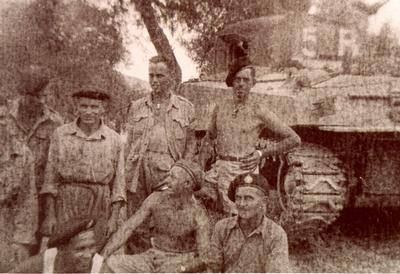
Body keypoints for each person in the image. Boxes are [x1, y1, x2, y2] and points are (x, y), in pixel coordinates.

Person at [203, 55, 301, 214]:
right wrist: (201, 167)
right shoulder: (220, 107)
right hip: (219, 168)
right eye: (237, 79)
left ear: (253, 83)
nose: (241, 84)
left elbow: (294, 139)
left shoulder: (258, 110)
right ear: (232, 81)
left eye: (246, 80)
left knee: (239, 218)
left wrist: (261, 153)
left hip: (242, 170)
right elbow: (209, 138)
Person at [124, 55, 197, 252]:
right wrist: (125, 173)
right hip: (138, 172)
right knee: (136, 225)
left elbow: (191, 144)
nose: (154, 80)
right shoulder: (136, 106)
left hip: (168, 174)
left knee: (166, 224)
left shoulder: (185, 108)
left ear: (171, 76)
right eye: (151, 75)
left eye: (160, 75)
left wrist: (182, 171)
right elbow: (128, 143)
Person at [40, 88, 126, 238]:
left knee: (93, 253)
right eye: (84, 106)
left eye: (94, 107)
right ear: (76, 107)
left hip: (99, 205)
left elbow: (119, 184)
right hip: (67, 203)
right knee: (65, 251)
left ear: (103, 109)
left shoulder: (114, 139)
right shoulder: (61, 135)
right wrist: (50, 215)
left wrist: (114, 218)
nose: (88, 111)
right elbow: (50, 179)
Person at [101, 160, 210, 273]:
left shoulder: (198, 214)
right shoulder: (156, 198)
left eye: (173, 178)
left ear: (187, 184)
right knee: (112, 263)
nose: (167, 181)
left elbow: (205, 258)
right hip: (152, 257)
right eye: (168, 175)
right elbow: (128, 227)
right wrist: (103, 255)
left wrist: (181, 268)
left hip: (180, 261)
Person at [8, 68, 63, 239]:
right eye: (41, 96)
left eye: (46, 96)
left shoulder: (54, 122)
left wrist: (49, 212)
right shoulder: (5, 117)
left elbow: (53, 170)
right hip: (6, 198)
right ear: (25, 95)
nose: (44, 101)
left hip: (38, 200)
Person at [208, 173, 290, 272]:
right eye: (238, 198)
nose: (242, 204)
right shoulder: (222, 228)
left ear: (264, 202)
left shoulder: (276, 234)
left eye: (248, 198)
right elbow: (213, 268)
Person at [0, 96, 38, 271]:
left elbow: (27, 201)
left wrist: (21, 241)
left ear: (9, 118)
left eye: (1, 118)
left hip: (8, 229)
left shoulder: (22, 154)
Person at [11, 217, 108, 273]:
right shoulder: (44, 261)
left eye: (91, 247)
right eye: (80, 249)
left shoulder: (99, 268)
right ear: (61, 249)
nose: (88, 255)